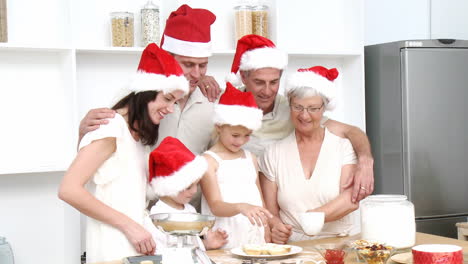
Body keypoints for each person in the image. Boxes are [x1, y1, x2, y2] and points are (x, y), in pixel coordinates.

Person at [57, 43, 189, 263]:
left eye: (175, 102)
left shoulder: (136, 137)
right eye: (167, 99)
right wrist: (130, 226)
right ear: (145, 93)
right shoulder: (111, 128)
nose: (171, 108)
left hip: (133, 248)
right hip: (112, 249)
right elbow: (68, 190)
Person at [227, 34, 374, 203]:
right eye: (259, 82)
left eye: (274, 82)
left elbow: (351, 131)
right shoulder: (223, 107)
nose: (267, 91)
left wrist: (365, 160)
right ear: (244, 77)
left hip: (276, 203)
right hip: (234, 204)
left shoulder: (293, 109)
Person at [259, 66, 359, 243]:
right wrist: (276, 227)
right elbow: (271, 212)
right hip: (294, 248)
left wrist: (314, 217)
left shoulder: (343, 147)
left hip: (340, 244)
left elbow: (351, 199)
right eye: (298, 107)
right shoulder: (272, 153)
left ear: (324, 108)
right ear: (289, 105)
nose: (304, 116)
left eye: (312, 108)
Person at [200, 83, 273, 249]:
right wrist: (241, 207)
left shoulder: (250, 158)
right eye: (235, 135)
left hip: (254, 236)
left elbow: (259, 198)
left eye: (247, 136)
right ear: (219, 126)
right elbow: (215, 205)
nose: (240, 141)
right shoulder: (209, 161)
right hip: (225, 236)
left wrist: (266, 228)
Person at [144, 136, 228, 253]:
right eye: (188, 187)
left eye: (196, 185)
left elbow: (192, 246)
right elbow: (158, 253)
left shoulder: (190, 210)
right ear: (170, 187)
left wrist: (207, 244)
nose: (194, 191)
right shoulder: (156, 217)